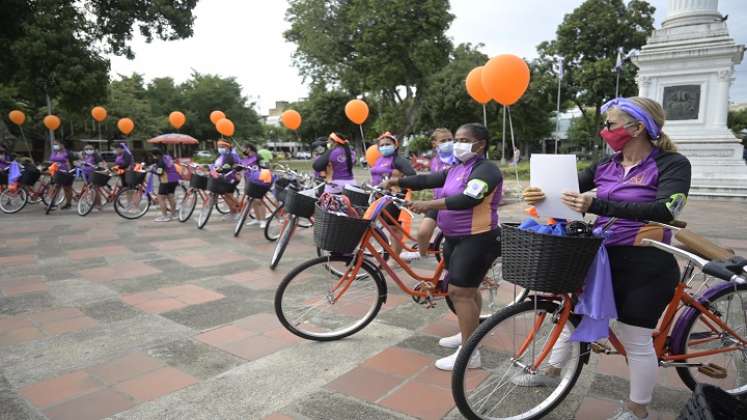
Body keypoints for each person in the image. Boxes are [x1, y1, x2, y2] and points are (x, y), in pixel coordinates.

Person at [521, 97, 691, 420]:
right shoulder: (607, 164)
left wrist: (597, 206)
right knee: (573, 313)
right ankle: (553, 371)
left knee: (635, 336)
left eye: (611, 124)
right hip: (602, 256)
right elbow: (565, 190)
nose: (605, 130)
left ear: (638, 127)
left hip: (647, 262)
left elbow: (667, 209)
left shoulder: (672, 164)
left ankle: (638, 409)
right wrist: (539, 192)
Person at [382, 123, 502, 370]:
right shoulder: (457, 169)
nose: (457, 143)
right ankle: (470, 333)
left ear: (480, 144)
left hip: (478, 239)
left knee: (460, 292)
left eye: (463, 139)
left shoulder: (486, 170)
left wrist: (430, 206)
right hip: (454, 238)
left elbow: (469, 198)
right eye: (455, 139)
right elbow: (427, 179)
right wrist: (398, 181)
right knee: (467, 290)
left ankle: (470, 354)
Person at [399, 128, 456, 262]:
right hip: (437, 202)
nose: (448, 143)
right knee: (423, 232)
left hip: (454, 202)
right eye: (443, 141)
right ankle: (422, 253)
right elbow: (430, 181)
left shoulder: (458, 158)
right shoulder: (435, 161)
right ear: (434, 144)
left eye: (450, 140)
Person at [370, 131, 417, 258]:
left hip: (396, 197)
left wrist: (396, 181)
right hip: (382, 197)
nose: (385, 147)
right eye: (382, 145)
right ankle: (394, 253)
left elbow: (413, 176)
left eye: (388, 144)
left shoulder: (399, 160)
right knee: (390, 228)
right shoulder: (379, 160)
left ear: (395, 145)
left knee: (394, 229)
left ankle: (396, 257)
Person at [240, 143, 269, 228]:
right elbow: (241, 167)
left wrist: (263, 181)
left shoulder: (258, 157)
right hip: (249, 182)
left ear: (249, 149)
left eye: (244, 148)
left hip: (259, 182)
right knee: (252, 201)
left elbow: (266, 168)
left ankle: (263, 221)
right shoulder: (246, 159)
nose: (243, 150)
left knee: (259, 201)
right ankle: (257, 219)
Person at [151, 148, 180, 222]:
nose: (153, 157)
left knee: (161, 197)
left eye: (153, 156)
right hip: (174, 179)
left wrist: (153, 170)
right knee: (171, 196)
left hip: (166, 180)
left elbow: (159, 172)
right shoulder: (167, 157)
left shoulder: (161, 161)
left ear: (157, 155)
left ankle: (165, 216)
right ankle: (173, 214)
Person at [214, 140, 240, 219]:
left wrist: (218, 170)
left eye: (222, 146)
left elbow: (230, 166)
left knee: (229, 195)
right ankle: (232, 211)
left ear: (228, 146)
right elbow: (215, 164)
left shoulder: (232, 155)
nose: (220, 148)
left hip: (231, 177)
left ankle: (239, 210)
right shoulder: (220, 155)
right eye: (219, 146)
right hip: (223, 178)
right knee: (225, 195)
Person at [48, 139, 74, 209]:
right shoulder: (54, 152)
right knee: (56, 187)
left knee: (67, 188)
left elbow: (72, 162)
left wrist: (70, 169)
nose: (55, 146)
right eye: (54, 144)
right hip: (56, 172)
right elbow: (51, 161)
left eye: (56, 144)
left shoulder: (68, 153)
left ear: (62, 145)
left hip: (67, 173)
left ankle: (68, 203)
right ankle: (52, 204)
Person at [79, 144, 105, 209]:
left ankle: (98, 204)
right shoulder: (84, 156)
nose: (88, 150)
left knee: (95, 188)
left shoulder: (96, 156)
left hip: (93, 173)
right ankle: (92, 202)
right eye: (87, 149)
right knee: (88, 188)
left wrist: (99, 167)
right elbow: (82, 163)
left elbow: (101, 164)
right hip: (85, 173)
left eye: (90, 149)